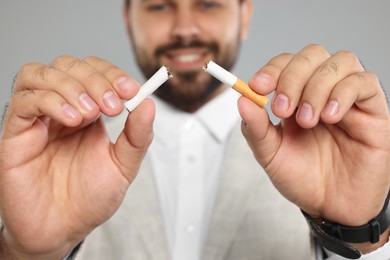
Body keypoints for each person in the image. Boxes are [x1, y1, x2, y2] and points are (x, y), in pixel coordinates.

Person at [0, 0, 389, 259]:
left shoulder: (313, 141)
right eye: (158, 5)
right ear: (127, 17)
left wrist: (361, 233)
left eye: (207, 2)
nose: (184, 28)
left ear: (245, 14)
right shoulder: (63, 157)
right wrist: (25, 255)